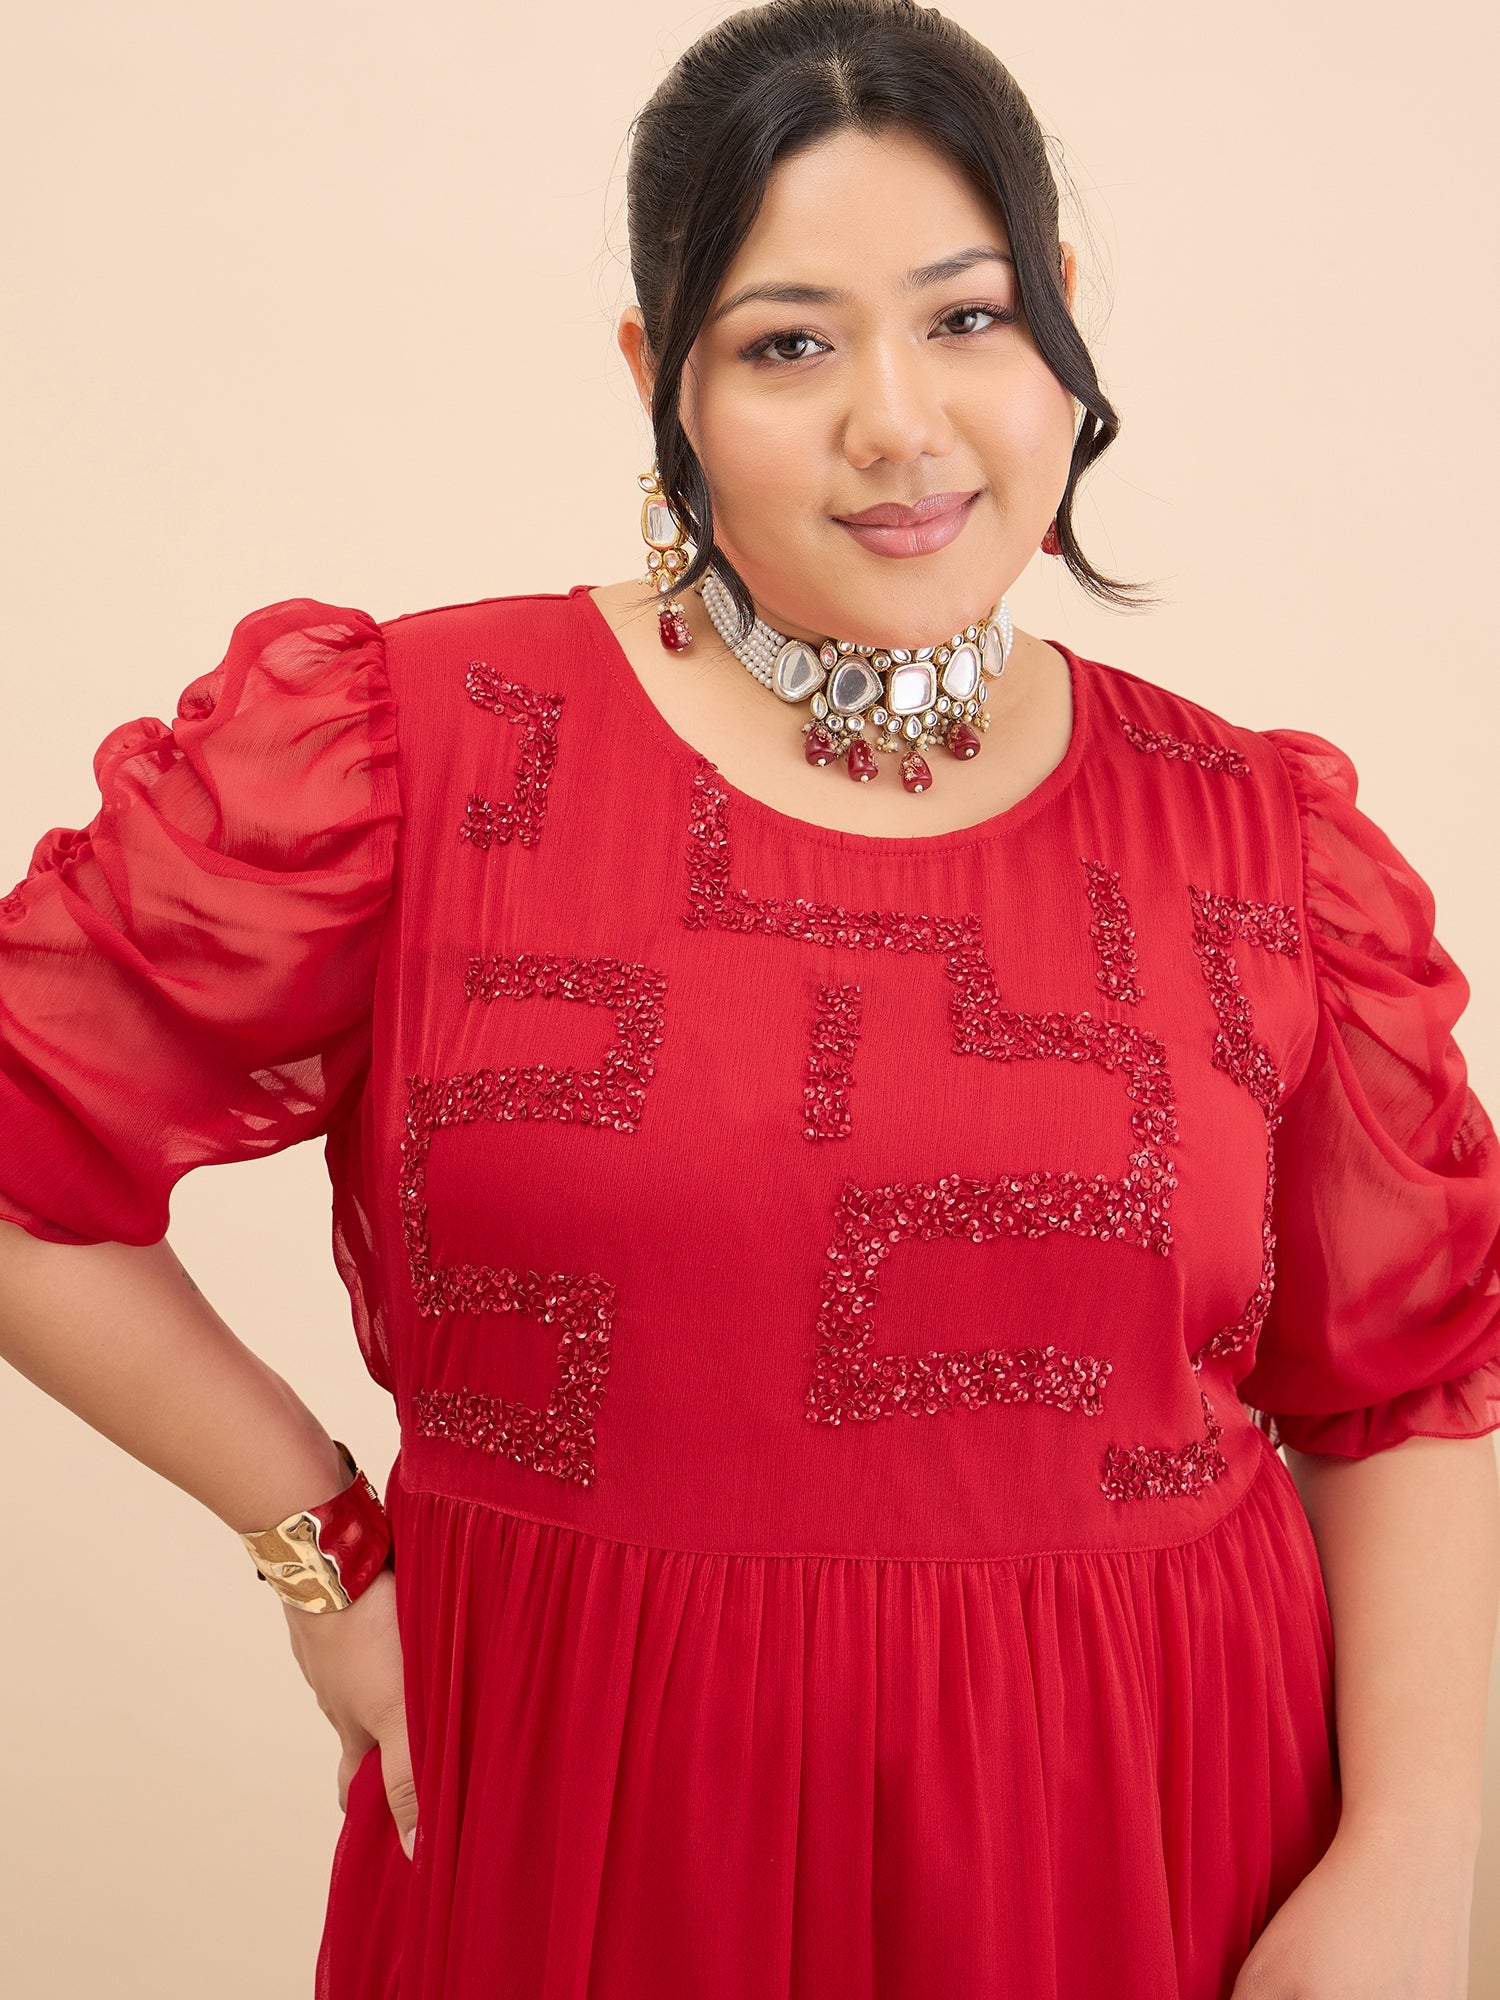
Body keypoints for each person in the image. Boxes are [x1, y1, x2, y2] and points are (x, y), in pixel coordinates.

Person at [2, 2, 1497, 1995]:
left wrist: (1408, 1867)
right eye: (791, 343)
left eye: (968, 318)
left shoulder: (1257, 842)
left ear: (1060, 325)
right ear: (662, 381)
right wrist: (314, 1539)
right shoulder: (418, 756)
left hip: (1143, 1840)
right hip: (587, 1835)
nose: (901, 422)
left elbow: (1403, 1386)